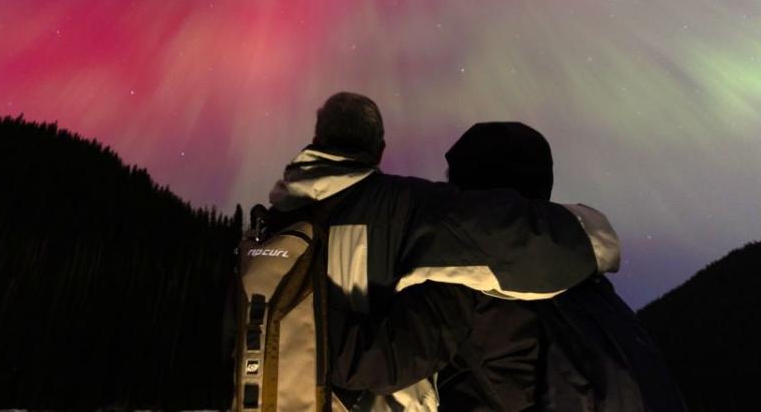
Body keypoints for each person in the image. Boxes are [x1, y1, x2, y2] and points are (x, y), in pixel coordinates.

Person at [246, 94, 620, 411]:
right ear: (379, 149)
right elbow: (390, 360)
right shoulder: (413, 212)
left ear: (317, 137)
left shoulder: (272, 223)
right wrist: (593, 235)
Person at [330, 122, 685, 411]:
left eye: (455, 180)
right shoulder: (584, 278)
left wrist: (304, 315)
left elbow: (378, 362)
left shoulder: (467, 273)